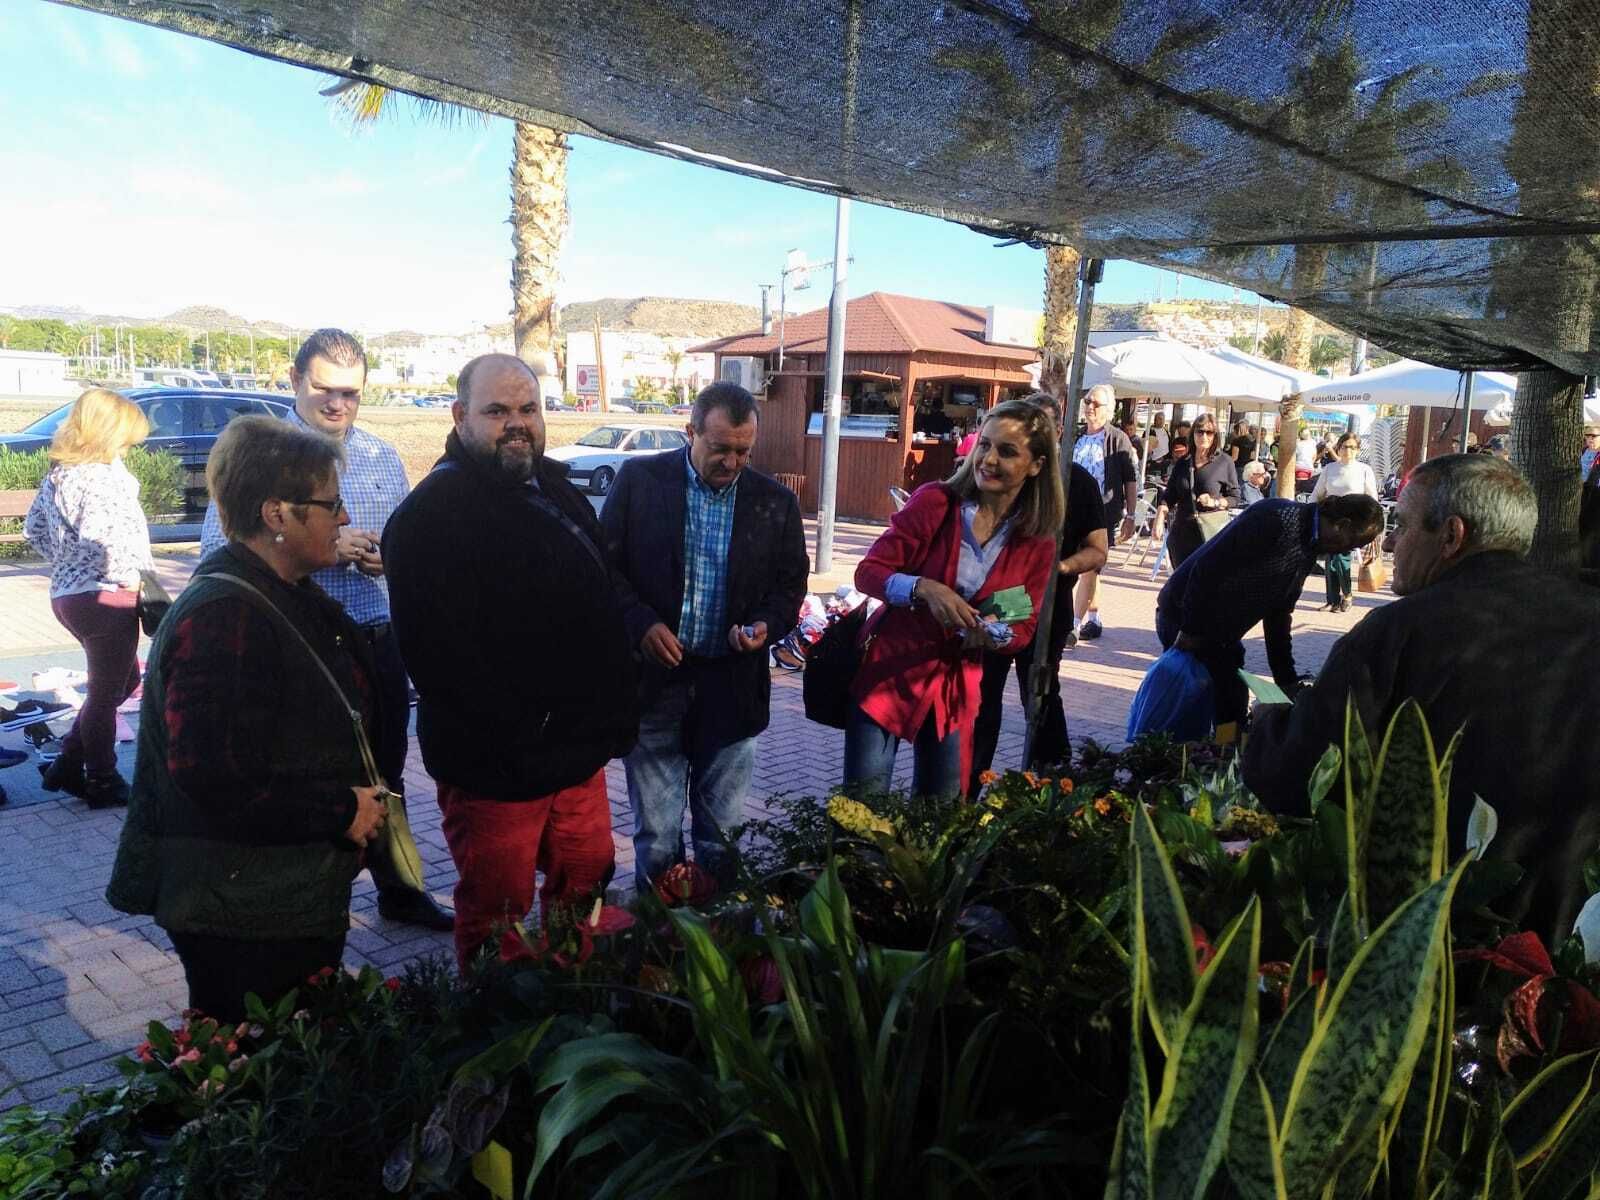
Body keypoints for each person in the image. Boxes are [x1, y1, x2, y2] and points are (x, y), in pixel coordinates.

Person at [1243, 454, 1599, 948]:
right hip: (1575, 935)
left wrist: (1266, 724)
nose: (1391, 543)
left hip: (1437, 935)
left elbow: (1299, 774)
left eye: (1404, 525)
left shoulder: (1399, 631)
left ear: (1451, 536)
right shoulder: (1589, 617)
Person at [106, 417, 389, 1021]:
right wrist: (342, 810)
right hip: (242, 909)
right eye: (331, 504)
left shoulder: (277, 589)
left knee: (284, 1052)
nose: (343, 518)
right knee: (254, 1055)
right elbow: (213, 774)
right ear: (276, 513)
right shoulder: (225, 616)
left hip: (269, 892)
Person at [384, 354, 637, 970]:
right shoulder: (431, 516)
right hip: (495, 765)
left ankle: (573, 996)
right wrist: (534, 724)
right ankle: (494, 1017)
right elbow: (440, 663)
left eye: (528, 409)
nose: (517, 423)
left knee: (586, 877)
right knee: (498, 911)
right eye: (497, 411)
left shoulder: (553, 485)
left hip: (575, 752)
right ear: (459, 416)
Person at [200, 329, 449, 931]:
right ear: (294, 381)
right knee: (314, 778)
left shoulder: (382, 456)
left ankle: (399, 889)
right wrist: (327, 550)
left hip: (377, 639)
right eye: (324, 389)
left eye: (351, 393)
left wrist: (388, 558)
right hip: (300, 647)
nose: (338, 404)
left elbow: (407, 543)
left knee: (386, 771)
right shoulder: (260, 456)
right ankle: (312, 904)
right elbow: (219, 552)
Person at [600, 382, 807, 892]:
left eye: (743, 451)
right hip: (655, 686)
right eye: (719, 449)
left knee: (722, 835)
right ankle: (660, 930)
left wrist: (766, 625)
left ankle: (719, 929)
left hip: (731, 688)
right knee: (657, 834)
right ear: (690, 431)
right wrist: (641, 623)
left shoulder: (775, 502)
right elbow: (604, 568)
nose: (731, 462)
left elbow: (790, 587)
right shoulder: (640, 482)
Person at [846, 399, 1063, 799]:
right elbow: (868, 573)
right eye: (985, 445)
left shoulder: (1036, 541)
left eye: (1007, 451)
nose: (989, 460)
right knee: (861, 810)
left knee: (940, 815)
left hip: (955, 689)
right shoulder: (936, 503)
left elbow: (1023, 627)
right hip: (890, 675)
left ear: (1036, 465)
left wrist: (992, 635)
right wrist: (923, 589)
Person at [1155, 494, 1383, 737]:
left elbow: (1279, 615)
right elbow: (1206, 570)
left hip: (1219, 632)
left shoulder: (1309, 546)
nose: (1347, 551)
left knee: (1230, 702)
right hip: (1184, 616)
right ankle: (1185, 748)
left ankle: (1223, 748)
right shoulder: (1276, 519)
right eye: (1353, 544)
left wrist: (1286, 679)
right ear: (1343, 525)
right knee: (1196, 701)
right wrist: (1190, 630)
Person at [23, 389, 154, 808]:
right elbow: (107, 542)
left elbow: (33, 529)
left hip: (67, 594)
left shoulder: (59, 474)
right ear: (110, 433)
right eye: (127, 439)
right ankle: (101, 777)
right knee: (105, 694)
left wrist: (67, 561)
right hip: (107, 595)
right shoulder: (103, 479)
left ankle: (67, 763)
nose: (129, 448)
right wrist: (131, 580)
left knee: (122, 683)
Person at [970, 396, 1106, 787]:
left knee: (1042, 696)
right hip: (994, 607)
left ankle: (1052, 786)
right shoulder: (997, 479)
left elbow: (1098, 550)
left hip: (1047, 607)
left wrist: (1059, 567)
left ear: (1058, 432)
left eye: (1040, 429)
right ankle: (970, 786)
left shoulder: (1078, 481)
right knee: (983, 698)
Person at [1071, 384, 1138, 641]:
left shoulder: (1117, 438)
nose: (1090, 406)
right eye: (1087, 401)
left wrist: (1130, 515)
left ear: (1108, 410)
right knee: (1090, 570)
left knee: (1089, 568)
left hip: (1101, 515)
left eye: (1096, 403)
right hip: (1073, 513)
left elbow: (1130, 479)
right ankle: (1094, 619)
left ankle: (1073, 625)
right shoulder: (1077, 436)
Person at [1310, 432, 1380, 611]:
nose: (1348, 450)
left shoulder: (1364, 470)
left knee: (1341, 559)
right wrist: (1308, 511)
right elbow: (1317, 493)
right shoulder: (1329, 469)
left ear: (1358, 450)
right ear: (1338, 447)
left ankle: (1347, 595)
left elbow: (1372, 498)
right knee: (1330, 561)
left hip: (1352, 522)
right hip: (1330, 519)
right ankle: (1332, 600)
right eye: (1344, 446)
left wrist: (1372, 523)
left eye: (1352, 447)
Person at [1163, 413, 1242, 567]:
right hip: (1182, 535)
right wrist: (1160, 516)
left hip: (1209, 535)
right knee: (1181, 579)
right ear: (1193, 434)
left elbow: (1235, 497)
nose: (1204, 436)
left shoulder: (1224, 462)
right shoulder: (1183, 462)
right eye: (1199, 431)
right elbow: (1169, 495)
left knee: (1206, 579)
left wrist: (1215, 502)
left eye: (1209, 432)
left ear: (1215, 436)